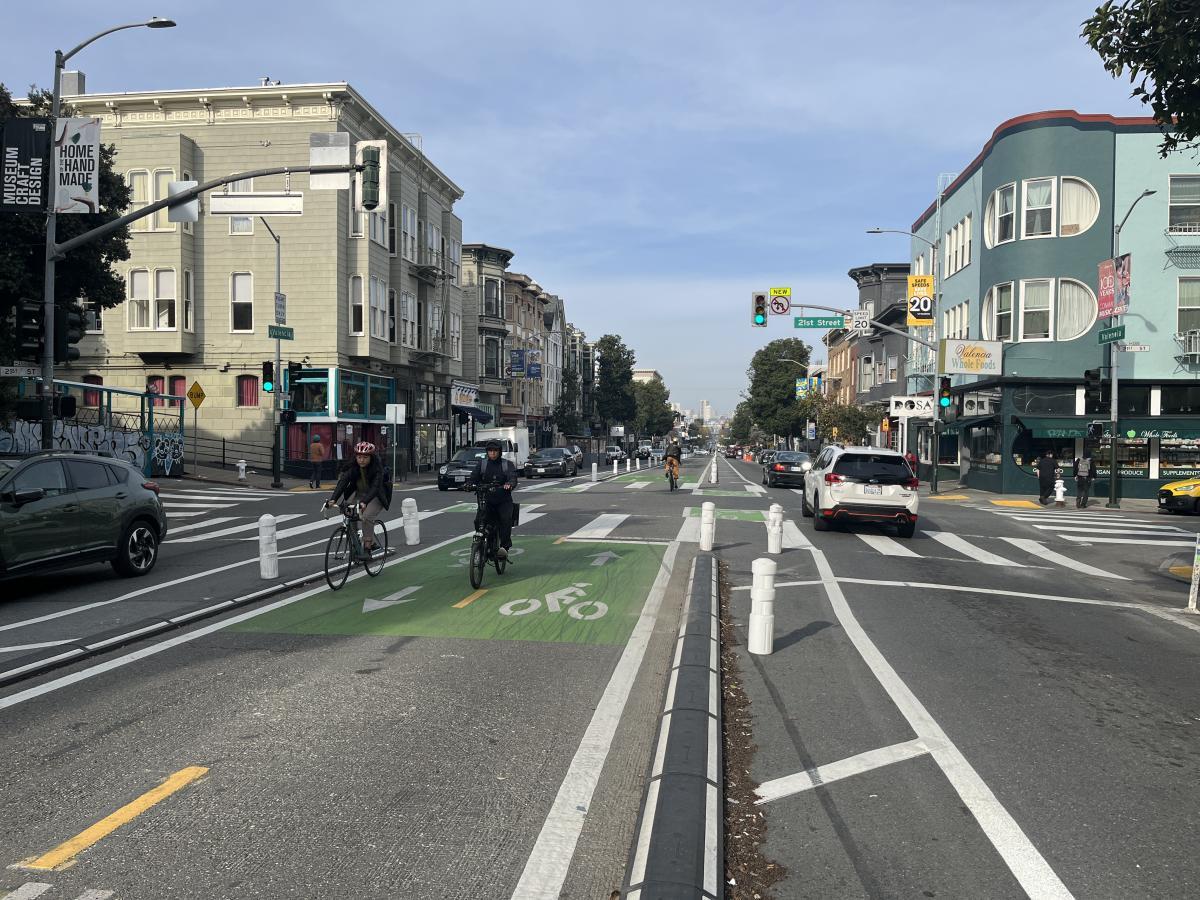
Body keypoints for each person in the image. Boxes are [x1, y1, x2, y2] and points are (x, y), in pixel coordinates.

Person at [324, 441, 389, 555]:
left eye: (365, 457)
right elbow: (343, 482)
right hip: (359, 493)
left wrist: (364, 503)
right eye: (359, 457)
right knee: (349, 511)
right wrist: (333, 499)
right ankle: (355, 543)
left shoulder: (377, 469)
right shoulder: (353, 467)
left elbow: (375, 488)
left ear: (371, 457)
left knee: (367, 516)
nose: (361, 460)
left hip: (375, 495)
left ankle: (368, 546)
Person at [469, 439, 518, 558]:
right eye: (490, 451)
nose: (493, 453)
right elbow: (473, 477)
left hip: (503, 500)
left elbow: (513, 477)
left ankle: (504, 547)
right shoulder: (482, 464)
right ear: (487, 452)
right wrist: (469, 484)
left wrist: (509, 484)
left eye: (495, 450)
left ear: (500, 452)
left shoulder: (507, 464)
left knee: (505, 520)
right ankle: (483, 542)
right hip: (486, 500)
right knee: (479, 520)